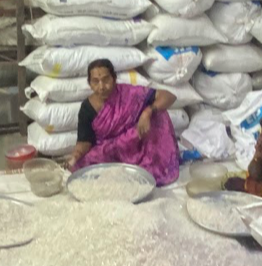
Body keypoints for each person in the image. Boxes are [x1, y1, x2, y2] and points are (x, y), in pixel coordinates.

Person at [69, 58, 180, 186]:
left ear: (114, 78)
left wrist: (148, 112)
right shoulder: (87, 108)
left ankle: (153, 164)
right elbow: (84, 141)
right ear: (89, 84)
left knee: (158, 114)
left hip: (138, 146)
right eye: (95, 82)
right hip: (110, 152)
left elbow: (170, 96)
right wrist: (75, 155)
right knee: (83, 165)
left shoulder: (131, 94)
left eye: (106, 80)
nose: (101, 87)